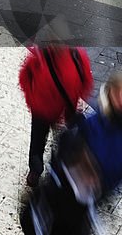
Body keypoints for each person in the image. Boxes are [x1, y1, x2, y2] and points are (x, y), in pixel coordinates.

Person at [19, 42, 94, 187]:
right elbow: (25, 77)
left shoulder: (76, 56)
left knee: (58, 140)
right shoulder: (40, 57)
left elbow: (86, 81)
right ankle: (37, 169)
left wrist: (77, 99)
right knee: (39, 139)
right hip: (43, 109)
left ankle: (55, 168)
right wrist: (33, 100)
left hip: (64, 109)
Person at [76, 73, 122, 211]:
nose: (121, 100)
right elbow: (75, 150)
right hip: (84, 184)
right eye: (117, 94)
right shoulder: (93, 124)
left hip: (105, 187)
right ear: (109, 95)